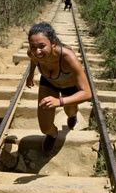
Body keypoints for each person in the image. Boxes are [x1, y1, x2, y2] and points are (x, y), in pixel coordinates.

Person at [26, 22, 92, 154]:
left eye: (42, 46)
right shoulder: (32, 53)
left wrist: (60, 101)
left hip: (70, 87)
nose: (37, 51)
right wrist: (31, 74)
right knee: (45, 128)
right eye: (33, 46)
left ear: (53, 43)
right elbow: (33, 59)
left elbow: (87, 93)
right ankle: (53, 134)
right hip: (49, 83)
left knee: (70, 112)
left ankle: (73, 116)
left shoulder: (68, 58)